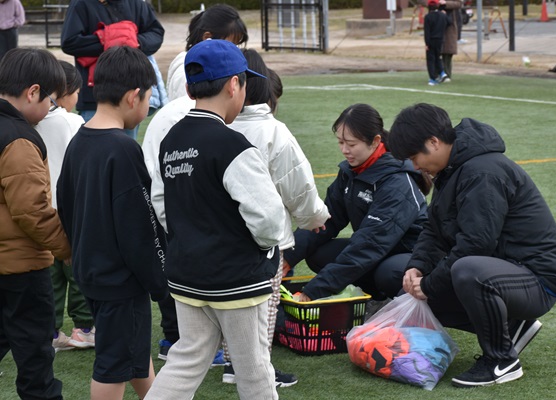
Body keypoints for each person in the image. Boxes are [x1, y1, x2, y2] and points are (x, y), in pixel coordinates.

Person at [387, 103, 556, 388]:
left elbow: (476, 244)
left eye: (414, 157)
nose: (415, 166)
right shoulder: (451, 168)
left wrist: (431, 283)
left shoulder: (482, 171)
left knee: (467, 270)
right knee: (410, 293)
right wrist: (417, 266)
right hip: (502, 271)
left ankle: (502, 361)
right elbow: (434, 229)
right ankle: (511, 326)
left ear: (433, 142)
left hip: (537, 280)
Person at [144, 39, 285, 400]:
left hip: (187, 276)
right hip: (236, 281)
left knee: (185, 360)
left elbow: (161, 203)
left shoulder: (171, 139)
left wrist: (190, 237)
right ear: (235, 85)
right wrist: (263, 249)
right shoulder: (232, 145)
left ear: (190, 88)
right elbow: (269, 219)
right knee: (254, 369)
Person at [56, 46, 168, 400]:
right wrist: (161, 281)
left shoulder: (80, 140)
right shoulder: (123, 149)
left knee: (132, 354)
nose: (147, 106)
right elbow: (141, 228)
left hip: (92, 272)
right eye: (148, 98)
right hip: (120, 280)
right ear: (134, 96)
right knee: (113, 365)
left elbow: (64, 202)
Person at [220, 48, 330, 388]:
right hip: (263, 241)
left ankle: (231, 361)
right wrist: (314, 217)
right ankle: (256, 367)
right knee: (264, 307)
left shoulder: (218, 127)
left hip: (221, 238)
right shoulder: (272, 130)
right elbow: (297, 182)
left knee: (230, 303)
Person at [146, 2, 247, 362]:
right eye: (233, 43)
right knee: (244, 361)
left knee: (189, 355)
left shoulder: (187, 118)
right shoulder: (204, 125)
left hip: (180, 196)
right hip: (186, 188)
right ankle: (177, 337)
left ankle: (184, 340)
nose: (237, 51)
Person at [284, 103, 430, 304]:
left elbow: (370, 244)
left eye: (351, 144)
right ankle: (370, 297)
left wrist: (315, 290)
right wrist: (287, 256)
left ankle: (391, 303)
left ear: (375, 141)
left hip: (409, 255)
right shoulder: (351, 171)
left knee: (388, 272)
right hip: (378, 249)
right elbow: (326, 219)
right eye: (340, 142)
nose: (345, 150)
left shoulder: (397, 182)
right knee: (319, 254)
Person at [0, 48, 71, 400]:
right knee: (35, 361)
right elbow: (33, 212)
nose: (50, 109)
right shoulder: (19, 138)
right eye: (51, 101)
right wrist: (68, 249)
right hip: (22, 269)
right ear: (32, 92)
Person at [34, 60, 95, 352]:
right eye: (77, 93)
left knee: (52, 274)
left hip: (41, 210)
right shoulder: (73, 122)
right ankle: (85, 328)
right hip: (72, 210)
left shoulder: (29, 121)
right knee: (78, 271)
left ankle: (51, 330)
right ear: (65, 91)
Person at [60, 0, 165, 139]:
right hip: (95, 97)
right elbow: (69, 41)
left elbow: (156, 33)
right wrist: (107, 39)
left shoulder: (136, 3)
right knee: (95, 147)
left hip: (130, 94)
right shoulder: (81, 3)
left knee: (127, 147)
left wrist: (136, 41)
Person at [166, 3, 248, 100]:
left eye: (237, 45)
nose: (236, 50)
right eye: (232, 44)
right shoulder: (191, 70)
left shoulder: (208, 66)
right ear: (207, 38)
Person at [424, 0, 450, 86]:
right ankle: (442, 72)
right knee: (438, 57)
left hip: (431, 40)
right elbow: (449, 22)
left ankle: (432, 78)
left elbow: (427, 32)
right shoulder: (442, 15)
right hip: (440, 40)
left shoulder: (428, 17)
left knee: (430, 60)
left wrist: (427, 43)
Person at [438, 0, 461, 81]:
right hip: (436, 23)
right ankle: (437, 73)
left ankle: (446, 74)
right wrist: (435, 3)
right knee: (435, 52)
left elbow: (458, 3)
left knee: (448, 52)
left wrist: (445, 3)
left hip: (449, 26)